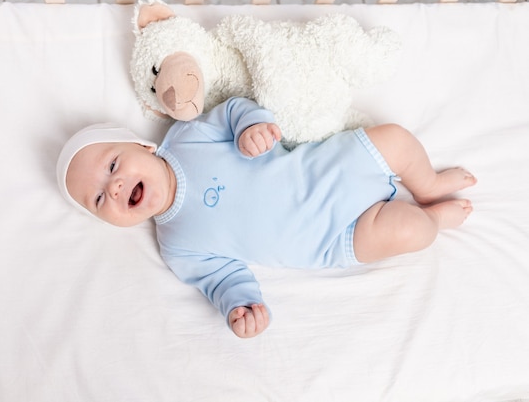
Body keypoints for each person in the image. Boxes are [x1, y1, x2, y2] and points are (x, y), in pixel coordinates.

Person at [57, 97, 476, 339]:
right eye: (97, 199)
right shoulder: (177, 244)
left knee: (396, 139)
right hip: (333, 239)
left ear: (143, 147)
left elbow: (233, 109)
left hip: (329, 170)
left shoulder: (185, 138)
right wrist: (239, 304)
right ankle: (434, 219)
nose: (113, 188)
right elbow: (221, 278)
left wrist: (250, 127)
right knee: (414, 230)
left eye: (113, 165)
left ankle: (427, 185)